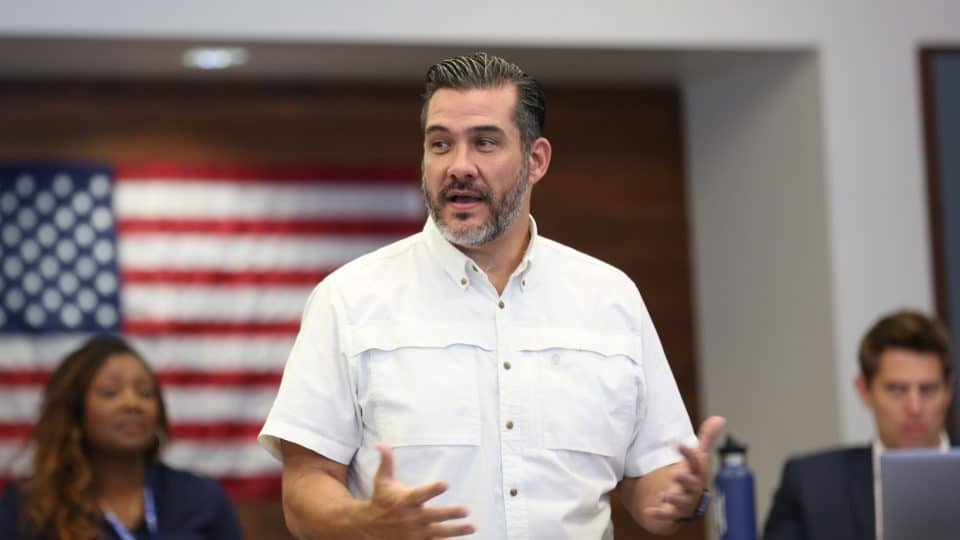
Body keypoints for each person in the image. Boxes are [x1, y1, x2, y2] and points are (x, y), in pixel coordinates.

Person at [259, 51, 725, 539]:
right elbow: (305, 482)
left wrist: (674, 498)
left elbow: (647, 475)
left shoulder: (611, 298)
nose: (459, 166)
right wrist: (364, 522)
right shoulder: (348, 299)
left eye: (484, 143)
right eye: (441, 144)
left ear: (536, 159)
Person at [0, 336, 243, 540]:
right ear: (74, 411)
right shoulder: (30, 507)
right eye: (110, 392)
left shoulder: (200, 498)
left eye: (145, 392)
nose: (132, 403)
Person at [763, 309, 956, 540]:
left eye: (928, 389)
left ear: (948, 390)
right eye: (897, 389)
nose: (915, 407)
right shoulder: (813, 484)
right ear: (864, 390)